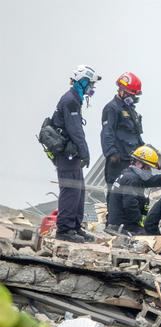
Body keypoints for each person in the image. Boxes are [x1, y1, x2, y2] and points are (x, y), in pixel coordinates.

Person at [51, 65, 101, 243]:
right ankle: (64, 230)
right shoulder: (70, 100)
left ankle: (75, 227)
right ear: (83, 81)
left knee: (79, 189)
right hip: (66, 153)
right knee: (70, 190)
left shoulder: (75, 99)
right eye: (91, 85)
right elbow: (75, 130)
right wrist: (85, 151)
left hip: (71, 153)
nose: (92, 89)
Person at [107, 146, 161, 235]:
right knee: (152, 239)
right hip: (124, 227)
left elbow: (155, 180)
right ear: (139, 163)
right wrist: (140, 220)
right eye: (148, 167)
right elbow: (130, 204)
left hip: (121, 224)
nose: (149, 171)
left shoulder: (131, 175)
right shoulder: (132, 179)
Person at [100, 72, 144, 210]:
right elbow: (107, 132)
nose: (133, 97)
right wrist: (111, 153)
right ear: (122, 90)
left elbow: (135, 134)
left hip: (132, 159)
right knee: (115, 192)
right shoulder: (112, 108)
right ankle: (112, 222)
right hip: (118, 159)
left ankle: (130, 223)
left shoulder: (131, 110)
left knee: (134, 193)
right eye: (132, 94)